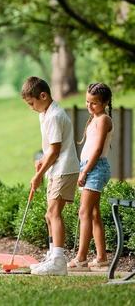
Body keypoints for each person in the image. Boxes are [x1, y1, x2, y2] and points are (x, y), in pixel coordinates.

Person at [21, 76, 79, 276]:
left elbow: (55, 152)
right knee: (49, 215)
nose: (31, 107)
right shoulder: (44, 113)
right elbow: (50, 149)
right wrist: (41, 160)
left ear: (43, 96)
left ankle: (59, 262)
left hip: (64, 168)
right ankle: (52, 256)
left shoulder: (54, 115)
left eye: (32, 103)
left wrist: (38, 175)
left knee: (54, 213)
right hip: (56, 169)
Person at [68, 83, 113, 271]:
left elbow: (97, 148)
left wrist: (85, 171)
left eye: (94, 103)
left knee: (84, 212)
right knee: (93, 214)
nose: (89, 106)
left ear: (105, 103)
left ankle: (81, 258)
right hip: (87, 167)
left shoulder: (104, 119)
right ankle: (101, 257)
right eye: (87, 101)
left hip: (95, 168)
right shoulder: (94, 118)